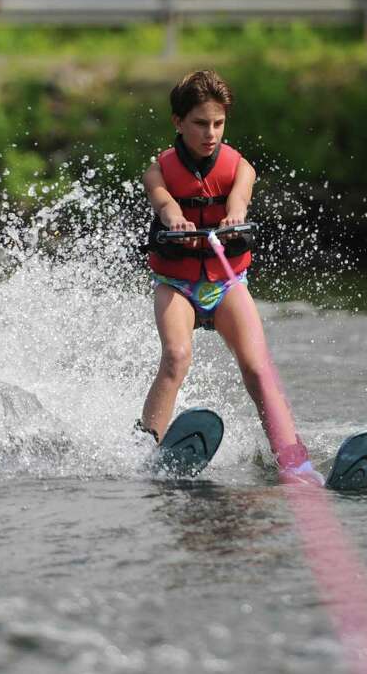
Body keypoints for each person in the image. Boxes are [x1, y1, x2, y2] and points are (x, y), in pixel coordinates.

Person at [138, 70, 323, 485]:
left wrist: (236, 212)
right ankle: (144, 451)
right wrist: (175, 218)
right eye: (201, 123)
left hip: (225, 282)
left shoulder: (240, 167)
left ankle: (294, 460)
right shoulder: (158, 172)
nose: (211, 134)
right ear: (178, 123)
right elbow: (162, 201)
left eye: (218, 124)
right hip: (177, 285)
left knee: (258, 368)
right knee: (176, 357)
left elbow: (240, 192)